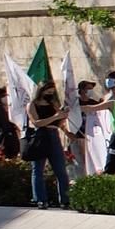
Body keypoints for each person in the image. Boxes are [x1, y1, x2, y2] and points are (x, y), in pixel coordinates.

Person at [24, 78, 74, 208]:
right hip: (40, 137)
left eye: (52, 91)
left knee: (60, 169)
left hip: (54, 135)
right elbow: (37, 122)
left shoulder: (52, 103)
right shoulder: (32, 104)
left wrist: (63, 118)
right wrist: (55, 117)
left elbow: (58, 123)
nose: (50, 94)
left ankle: (65, 199)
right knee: (38, 170)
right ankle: (40, 199)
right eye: (48, 91)